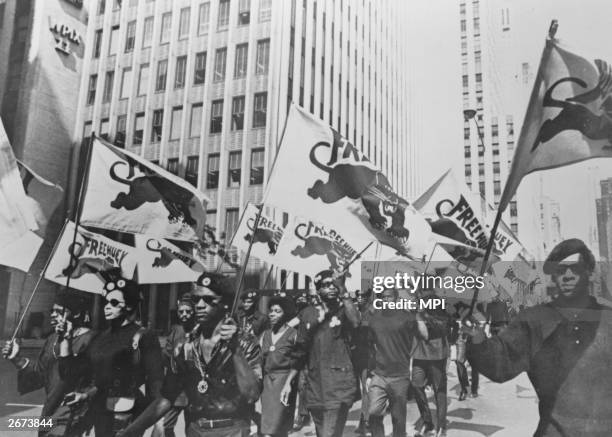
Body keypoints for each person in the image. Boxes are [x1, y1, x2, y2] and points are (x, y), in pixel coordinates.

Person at [465, 239, 612, 436]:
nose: (567, 276)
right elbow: (500, 363)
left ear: (589, 272)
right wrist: (477, 338)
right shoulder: (533, 321)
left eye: (575, 269)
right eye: (560, 271)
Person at [59, 279, 169, 437]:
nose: (107, 306)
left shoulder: (143, 336)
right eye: (106, 301)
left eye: (114, 302)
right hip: (98, 411)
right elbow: (71, 374)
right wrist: (66, 338)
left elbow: (156, 386)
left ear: (129, 306)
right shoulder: (99, 337)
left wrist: (159, 425)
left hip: (127, 415)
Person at [162, 272, 261, 437]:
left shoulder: (245, 343)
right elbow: (167, 395)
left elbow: (252, 395)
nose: (199, 305)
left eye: (209, 300)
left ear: (226, 305)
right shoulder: (185, 346)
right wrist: (134, 429)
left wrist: (235, 349)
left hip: (232, 430)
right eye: (196, 299)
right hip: (195, 429)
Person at [2, 292, 96, 436]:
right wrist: (16, 358)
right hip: (50, 412)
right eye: (52, 311)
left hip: (74, 413)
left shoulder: (92, 339)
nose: (52, 315)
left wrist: (85, 396)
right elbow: (40, 373)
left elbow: (95, 380)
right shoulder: (52, 339)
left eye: (59, 312)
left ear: (76, 314)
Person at [298, 270, 360, 437]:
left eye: (334, 285)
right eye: (326, 285)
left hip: (338, 382)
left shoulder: (343, 309)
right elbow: (300, 347)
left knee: (329, 433)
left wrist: (343, 289)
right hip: (315, 384)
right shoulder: (308, 313)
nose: (331, 288)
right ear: (318, 290)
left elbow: (355, 321)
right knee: (324, 432)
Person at [366, 289, 429, 437]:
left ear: (396, 298)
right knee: (373, 412)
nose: (386, 299)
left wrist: (418, 314)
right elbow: (369, 346)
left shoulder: (407, 317)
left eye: (390, 297)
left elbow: (424, 335)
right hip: (379, 375)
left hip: (400, 376)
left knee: (398, 419)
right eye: (383, 297)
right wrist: (370, 373)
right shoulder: (374, 318)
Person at [153, 295, 197, 437]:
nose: (184, 314)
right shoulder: (175, 330)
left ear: (194, 311)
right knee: (166, 426)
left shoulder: (199, 329)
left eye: (188, 311)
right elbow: (166, 354)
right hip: (176, 387)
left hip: (194, 388)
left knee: (193, 427)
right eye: (181, 311)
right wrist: (174, 354)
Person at [259, 292, 302, 437]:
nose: (272, 314)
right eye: (271, 311)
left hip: (284, 383)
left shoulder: (293, 334)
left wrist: (289, 383)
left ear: (286, 314)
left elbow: (298, 362)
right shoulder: (265, 334)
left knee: (276, 427)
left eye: (277, 311)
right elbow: (259, 361)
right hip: (267, 384)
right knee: (267, 425)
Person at [411, 288, 453, 437]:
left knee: (439, 390)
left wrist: (423, 315)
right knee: (416, 384)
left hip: (437, 353)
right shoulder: (415, 302)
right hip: (419, 353)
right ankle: (427, 421)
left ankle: (441, 425)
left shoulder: (439, 303)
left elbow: (442, 326)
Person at [353, 289, 372, 436]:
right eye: (358, 295)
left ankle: (365, 421)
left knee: (367, 389)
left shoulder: (371, 312)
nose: (360, 298)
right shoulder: (353, 311)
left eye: (363, 296)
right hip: (354, 357)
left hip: (367, 356)